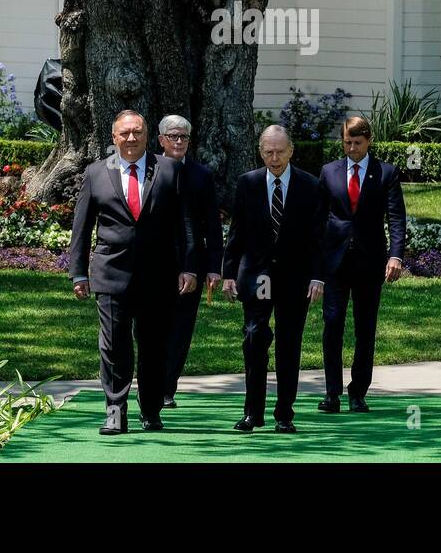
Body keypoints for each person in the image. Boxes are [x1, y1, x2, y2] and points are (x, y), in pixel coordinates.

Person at [68, 110, 196, 435]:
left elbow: (185, 224)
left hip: (159, 277)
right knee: (114, 347)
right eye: (124, 133)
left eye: (137, 132)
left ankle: (151, 411)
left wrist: (189, 267)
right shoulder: (96, 173)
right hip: (111, 275)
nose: (130, 138)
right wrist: (78, 273)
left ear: (147, 135)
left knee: (154, 346)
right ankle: (115, 411)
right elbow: (81, 229)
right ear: (114, 138)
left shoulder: (168, 170)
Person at [221, 125, 326, 433]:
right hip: (258, 277)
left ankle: (284, 414)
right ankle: (253, 413)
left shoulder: (310, 185)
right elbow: (236, 233)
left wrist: (317, 277)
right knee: (254, 338)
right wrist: (228, 274)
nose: (275, 158)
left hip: (295, 278)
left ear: (291, 151)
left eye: (280, 151)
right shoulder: (248, 183)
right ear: (260, 151)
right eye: (269, 152)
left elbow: (318, 237)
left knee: (289, 344)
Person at [317, 116, 407, 414]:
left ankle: (358, 392)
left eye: (357, 143)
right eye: (346, 143)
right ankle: (332, 394)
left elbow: (396, 218)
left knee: (365, 328)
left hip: (370, 262)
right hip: (334, 262)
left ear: (368, 140)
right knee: (332, 325)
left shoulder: (386, 173)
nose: (352, 148)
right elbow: (318, 220)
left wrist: (395, 256)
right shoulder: (329, 172)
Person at [156, 114, 223, 408]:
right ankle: (152, 381)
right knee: (151, 327)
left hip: (192, 263)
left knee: (181, 329)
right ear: (161, 140)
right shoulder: (148, 171)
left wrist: (213, 267)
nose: (179, 141)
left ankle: (167, 388)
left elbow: (212, 224)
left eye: (184, 136)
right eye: (173, 136)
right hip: (154, 261)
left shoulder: (201, 175)